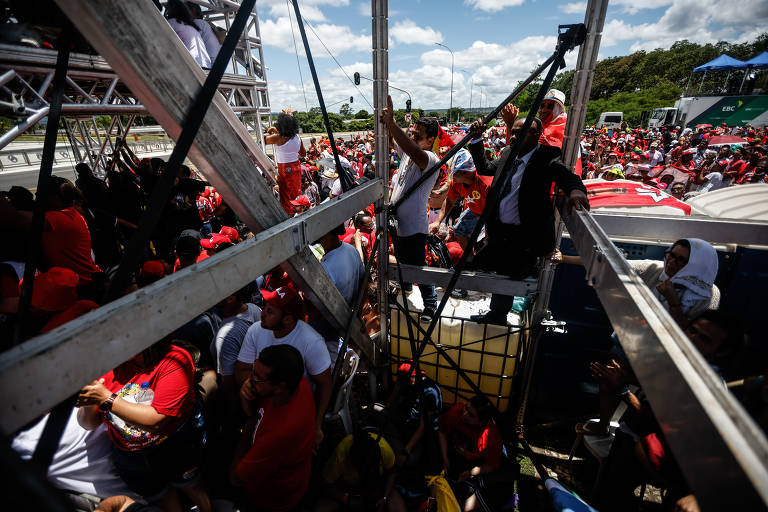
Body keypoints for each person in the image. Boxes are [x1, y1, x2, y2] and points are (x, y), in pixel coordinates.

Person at [466, 115, 589, 324]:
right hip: (500, 231)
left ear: (536, 135)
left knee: (509, 275)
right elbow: (485, 168)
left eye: (519, 133)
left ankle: (498, 316)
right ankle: (496, 313)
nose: (513, 137)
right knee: (476, 265)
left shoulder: (546, 157)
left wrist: (576, 191)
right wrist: (476, 139)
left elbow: (567, 177)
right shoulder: (508, 153)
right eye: (512, 132)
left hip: (525, 237)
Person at [76, 339, 210, 512]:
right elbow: (89, 423)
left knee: (191, 487)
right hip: (132, 455)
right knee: (163, 497)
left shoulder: (174, 359)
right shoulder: (104, 366)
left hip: (174, 444)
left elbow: (156, 420)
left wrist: (106, 398)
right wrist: (91, 402)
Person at [234, 284, 332, 449]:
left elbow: (325, 384)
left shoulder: (312, 342)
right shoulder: (255, 330)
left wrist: (317, 423)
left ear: (288, 319)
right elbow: (241, 370)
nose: (263, 313)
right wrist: (249, 384)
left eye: (270, 311)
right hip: (261, 406)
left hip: (294, 410)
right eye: (265, 306)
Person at [232, 344, 316, 512]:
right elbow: (255, 410)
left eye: (257, 377)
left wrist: (248, 428)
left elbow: (236, 478)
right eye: (253, 370)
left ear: (279, 387)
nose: (250, 378)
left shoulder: (280, 433)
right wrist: (246, 395)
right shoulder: (297, 384)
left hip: (271, 500)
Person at [380, 96, 440, 321]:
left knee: (418, 267)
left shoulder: (430, 159)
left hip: (414, 226)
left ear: (430, 139)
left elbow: (413, 150)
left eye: (418, 135)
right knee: (403, 260)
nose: (413, 137)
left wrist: (392, 123)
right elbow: (393, 142)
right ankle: (405, 288)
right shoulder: (407, 154)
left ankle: (431, 304)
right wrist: (388, 125)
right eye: (412, 134)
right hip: (400, 223)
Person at [438, 395, 503, 512]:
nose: (464, 414)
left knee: (467, 505)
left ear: (482, 421)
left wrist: (472, 472)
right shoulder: (456, 412)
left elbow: (492, 466)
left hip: (476, 465)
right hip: (454, 454)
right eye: (466, 408)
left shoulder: (491, 437)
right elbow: (442, 432)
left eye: (471, 415)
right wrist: (444, 457)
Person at [318, 429, 404, 512]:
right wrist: (346, 500)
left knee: (393, 499)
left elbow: (392, 472)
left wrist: (385, 497)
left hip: (377, 487)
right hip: (349, 490)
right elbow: (326, 484)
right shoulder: (341, 453)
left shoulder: (383, 447)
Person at [429, 148, 492, 250]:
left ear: (464, 172)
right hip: (475, 209)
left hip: (492, 213)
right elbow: (449, 201)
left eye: (454, 173)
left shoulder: (485, 183)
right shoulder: (456, 183)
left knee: (489, 240)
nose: (452, 177)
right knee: (459, 230)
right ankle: (469, 258)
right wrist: (438, 222)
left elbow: (497, 209)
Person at [266, 112, 306, 214]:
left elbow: (263, 140)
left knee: (285, 194)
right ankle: (296, 211)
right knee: (295, 191)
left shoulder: (278, 138)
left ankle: (289, 213)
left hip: (285, 168)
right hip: (296, 167)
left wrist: (272, 131)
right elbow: (303, 153)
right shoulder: (297, 137)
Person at [165, 0, 213, 68]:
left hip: (193, 65)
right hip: (206, 65)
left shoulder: (173, 22)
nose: (167, 13)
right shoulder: (190, 26)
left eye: (168, 9)